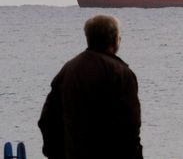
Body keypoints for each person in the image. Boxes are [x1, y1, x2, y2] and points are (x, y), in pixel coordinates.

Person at [38, 15, 143, 159]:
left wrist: (57, 154)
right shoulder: (121, 73)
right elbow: (130, 128)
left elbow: (48, 120)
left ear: (89, 38)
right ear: (114, 40)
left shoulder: (68, 69)